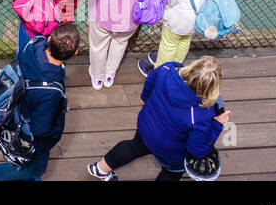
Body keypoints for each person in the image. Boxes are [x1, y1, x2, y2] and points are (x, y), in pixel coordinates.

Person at [89, 56, 229, 181]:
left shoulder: (167, 69)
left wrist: (146, 99)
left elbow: (149, 82)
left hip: (146, 126)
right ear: (212, 88)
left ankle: (100, 169)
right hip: (170, 151)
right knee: (172, 173)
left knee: (134, 146)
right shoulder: (201, 115)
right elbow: (196, 150)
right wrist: (218, 125)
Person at [0, 23, 81, 181]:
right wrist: (50, 138)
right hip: (30, 131)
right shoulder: (51, 91)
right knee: (36, 170)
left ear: (50, 39)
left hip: (17, 108)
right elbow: (41, 129)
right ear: (75, 52)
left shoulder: (32, 46)